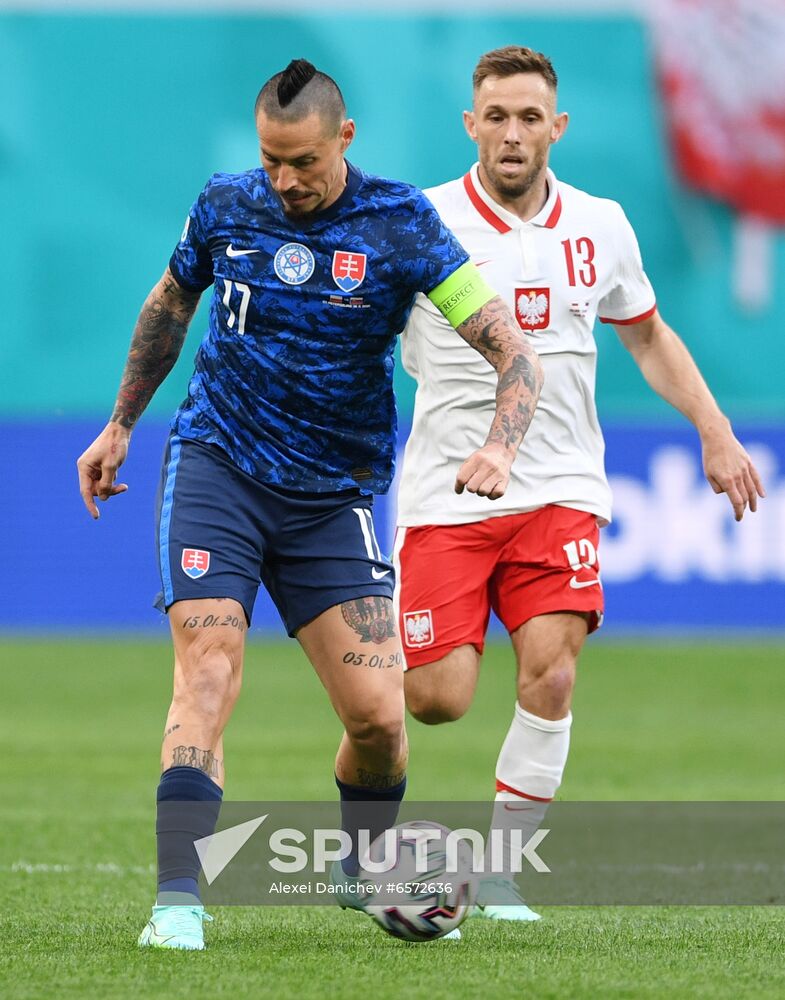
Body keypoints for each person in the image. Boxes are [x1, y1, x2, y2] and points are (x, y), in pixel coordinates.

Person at [76, 59, 543, 950]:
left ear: (346, 138)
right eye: (271, 160)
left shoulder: (402, 224)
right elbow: (170, 305)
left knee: (378, 721)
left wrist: (500, 445)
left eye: (303, 162)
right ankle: (178, 900)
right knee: (207, 670)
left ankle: (362, 867)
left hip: (333, 497)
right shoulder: (225, 205)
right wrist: (120, 424)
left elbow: (512, 351)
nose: (284, 181)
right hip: (219, 467)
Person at [394, 45, 765, 921]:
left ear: (556, 126)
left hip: (560, 486)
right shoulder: (422, 223)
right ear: (470, 124)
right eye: (496, 116)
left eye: (530, 117)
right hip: (445, 493)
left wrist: (713, 429)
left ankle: (497, 870)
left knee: (551, 678)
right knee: (435, 699)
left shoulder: (600, 224)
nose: (512, 133)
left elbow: (647, 336)